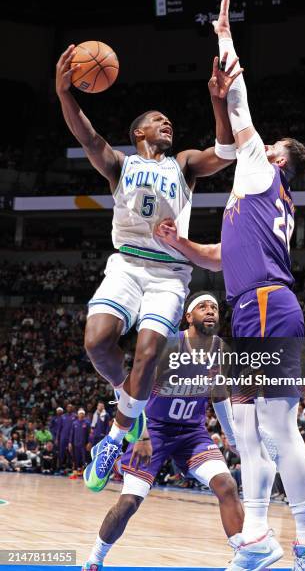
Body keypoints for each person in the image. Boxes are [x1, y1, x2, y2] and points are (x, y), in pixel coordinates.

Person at [156, 0, 305, 570]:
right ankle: (258, 538)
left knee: (275, 424)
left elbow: (240, 110)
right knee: (244, 422)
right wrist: (181, 245)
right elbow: (219, 257)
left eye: (267, 144)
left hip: (266, 306)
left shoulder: (263, 171)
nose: (257, 144)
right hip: (253, 303)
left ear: (277, 159)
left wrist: (224, 36)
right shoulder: (255, 197)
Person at [55, 45, 238, 492]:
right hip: (126, 266)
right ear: (139, 132)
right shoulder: (120, 164)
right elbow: (87, 136)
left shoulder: (184, 164)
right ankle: (128, 400)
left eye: (168, 121)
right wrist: (65, 93)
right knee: (97, 342)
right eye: (157, 120)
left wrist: (218, 100)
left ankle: (116, 436)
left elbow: (227, 151)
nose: (166, 124)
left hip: (169, 274)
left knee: (149, 353)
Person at [81, 291, 244, 570]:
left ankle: (244, 557)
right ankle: (94, 559)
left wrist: (231, 436)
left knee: (227, 486)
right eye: (203, 306)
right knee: (129, 503)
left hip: (192, 433)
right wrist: (141, 434)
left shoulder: (222, 351)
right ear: (188, 316)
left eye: (214, 307)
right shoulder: (167, 346)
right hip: (154, 431)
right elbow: (132, 389)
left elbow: (219, 396)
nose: (210, 311)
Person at [68, 409, 91, 479]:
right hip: (75, 444)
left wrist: (89, 442)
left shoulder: (87, 423)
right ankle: (76, 472)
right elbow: (72, 434)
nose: (81, 415)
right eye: (80, 414)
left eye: (82, 414)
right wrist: (70, 443)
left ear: (84, 415)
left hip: (84, 444)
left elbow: (90, 434)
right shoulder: (74, 423)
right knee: (76, 459)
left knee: (84, 459)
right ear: (78, 415)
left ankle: (85, 472)